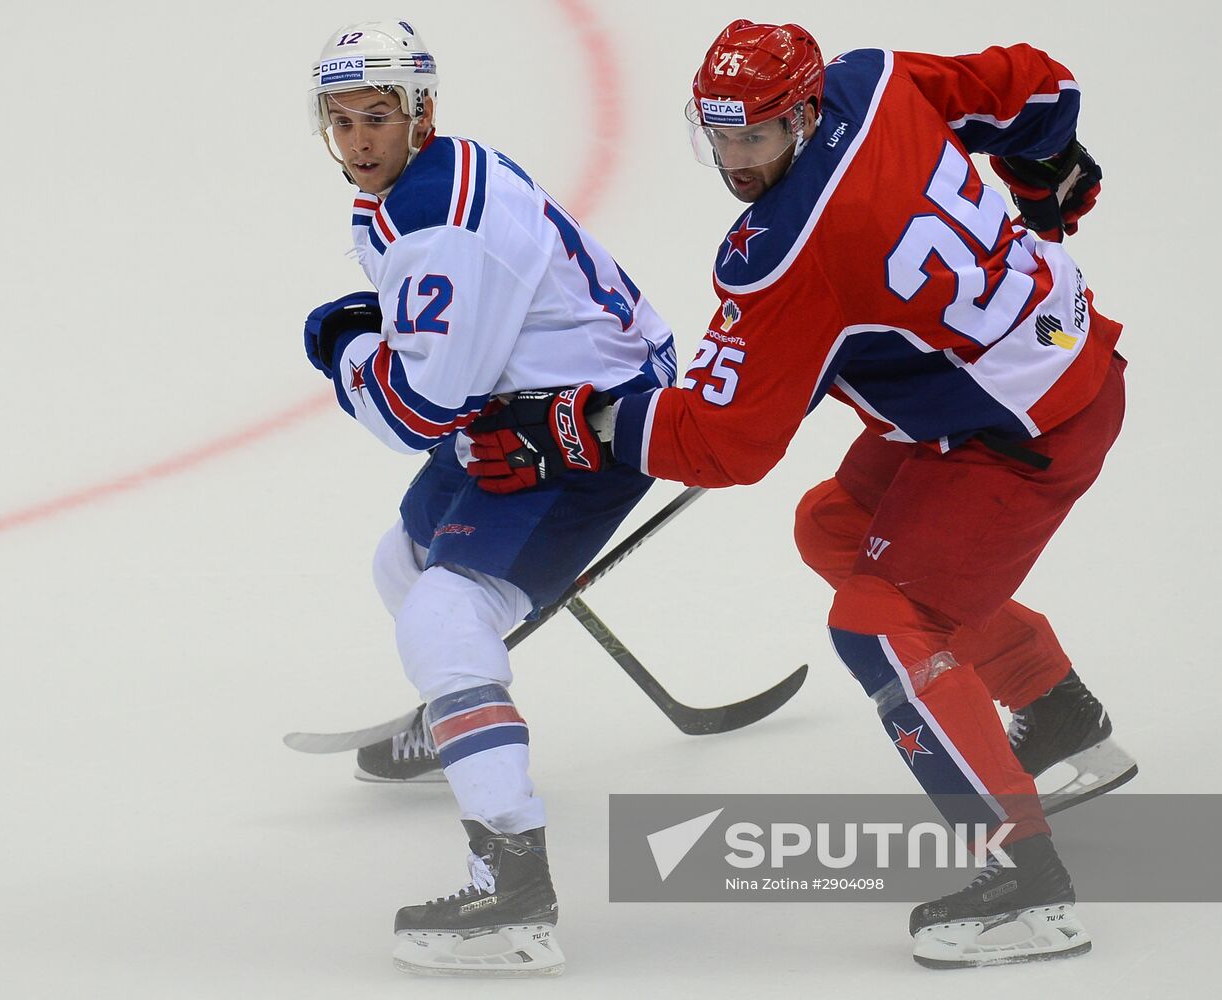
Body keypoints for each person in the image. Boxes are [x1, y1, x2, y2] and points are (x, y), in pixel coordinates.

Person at [465, 20, 1138, 968]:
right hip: (1036, 363)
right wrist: (1046, 160)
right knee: (836, 525)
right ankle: (1056, 713)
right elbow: (1034, 83)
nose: (735, 160)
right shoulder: (874, 82)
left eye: (756, 135)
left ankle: (1026, 884)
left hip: (1022, 431)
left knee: (877, 622)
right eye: (719, 135)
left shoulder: (783, 252)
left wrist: (580, 422)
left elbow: (724, 442)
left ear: (805, 114)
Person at [302, 19, 678, 977]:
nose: (357, 140)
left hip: (586, 427)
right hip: (526, 399)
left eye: (377, 117)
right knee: (402, 563)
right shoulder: (432, 177)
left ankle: (513, 886)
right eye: (340, 120)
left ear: (421, 112)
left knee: (444, 612)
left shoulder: (438, 221)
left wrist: (344, 347)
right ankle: (461, 722)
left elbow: (416, 412)